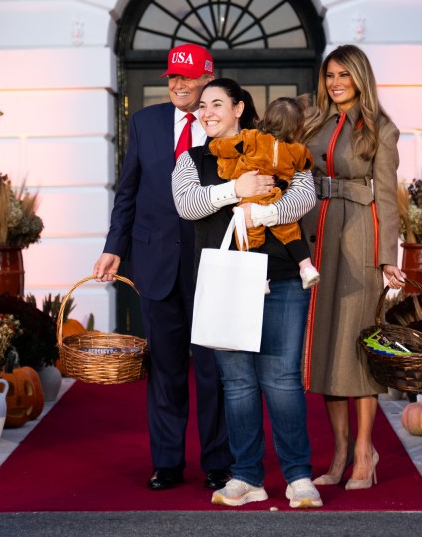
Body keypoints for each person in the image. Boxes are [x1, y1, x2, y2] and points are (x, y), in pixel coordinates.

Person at [172, 78, 323, 508]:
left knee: (281, 380)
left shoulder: (272, 146)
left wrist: (265, 210)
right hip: (226, 280)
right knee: (236, 383)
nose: (207, 112)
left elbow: (305, 192)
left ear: (239, 108)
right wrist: (234, 191)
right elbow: (187, 205)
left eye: (217, 104)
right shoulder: (191, 159)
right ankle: (247, 477)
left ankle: (298, 477)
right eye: (202, 106)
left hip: (281, 278)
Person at [92, 44, 232, 492]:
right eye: (173, 76)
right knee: (166, 368)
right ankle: (167, 463)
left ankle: (218, 462)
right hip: (155, 261)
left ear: (208, 79)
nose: (177, 84)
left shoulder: (226, 124)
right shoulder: (145, 122)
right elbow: (127, 191)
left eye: (187, 78)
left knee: (213, 367)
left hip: (211, 261)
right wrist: (114, 246)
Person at [301, 45, 406, 491]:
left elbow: (387, 194)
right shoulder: (314, 123)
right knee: (325, 347)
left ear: (361, 77)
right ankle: (340, 450)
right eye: (330, 75)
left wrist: (387, 257)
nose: (336, 82)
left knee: (357, 348)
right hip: (317, 236)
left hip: (360, 238)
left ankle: (365, 450)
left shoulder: (381, 128)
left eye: (344, 74)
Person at [208, 96, 320, 289]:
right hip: (275, 194)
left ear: (267, 118)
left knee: (250, 235)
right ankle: (306, 267)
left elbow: (227, 146)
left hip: (252, 197)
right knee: (291, 232)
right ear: (297, 127)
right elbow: (307, 163)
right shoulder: (296, 149)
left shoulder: (252, 138)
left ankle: (259, 278)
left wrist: (214, 145)